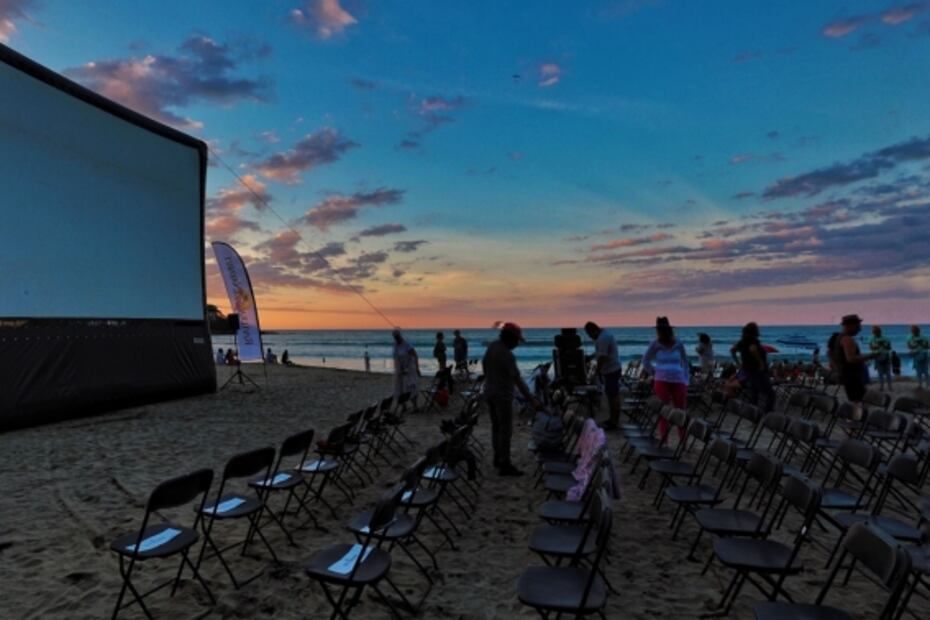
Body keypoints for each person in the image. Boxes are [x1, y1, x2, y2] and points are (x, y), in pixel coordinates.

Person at [482, 322, 541, 476]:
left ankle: (497, 459)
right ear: (510, 338)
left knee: (496, 428)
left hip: (489, 393)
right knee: (505, 431)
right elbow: (517, 379)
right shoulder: (507, 355)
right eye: (516, 341)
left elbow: (484, 366)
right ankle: (505, 465)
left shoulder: (492, 346)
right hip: (502, 397)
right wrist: (531, 399)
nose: (517, 344)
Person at [642, 316, 689, 440]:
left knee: (681, 412)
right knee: (664, 412)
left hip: (679, 381)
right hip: (661, 381)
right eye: (660, 329)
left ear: (669, 329)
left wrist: (686, 380)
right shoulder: (655, 344)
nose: (662, 332)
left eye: (664, 329)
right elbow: (645, 361)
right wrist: (655, 372)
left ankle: (683, 441)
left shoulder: (678, 343)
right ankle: (664, 440)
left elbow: (685, 362)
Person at [583, 321, 622, 430]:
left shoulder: (603, 338)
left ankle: (614, 422)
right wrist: (590, 357)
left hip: (611, 370)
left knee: (613, 397)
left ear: (593, 330)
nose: (590, 337)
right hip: (613, 369)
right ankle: (612, 419)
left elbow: (602, 357)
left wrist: (597, 372)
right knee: (611, 395)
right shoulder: (604, 335)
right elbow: (599, 352)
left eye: (590, 335)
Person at [730, 322, 775, 412]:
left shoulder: (742, 342)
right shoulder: (753, 340)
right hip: (757, 370)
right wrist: (760, 363)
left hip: (748, 370)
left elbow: (732, 350)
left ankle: (753, 413)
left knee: (754, 393)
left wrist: (738, 363)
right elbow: (753, 349)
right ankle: (767, 413)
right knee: (770, 394)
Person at [835, 314, 877, 408]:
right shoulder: (847, 339)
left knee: (858, 400)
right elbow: (851, 359)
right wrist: (870, 356)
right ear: (850, 326)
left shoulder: (840, 338)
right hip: (852, 376)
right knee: (859, 401)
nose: (860, 329)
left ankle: (856, 420)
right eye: (858, 326)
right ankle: (856, 420)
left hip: (847, 375)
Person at [392, 329, 421, 401]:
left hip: (410, 369)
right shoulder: (395, 346)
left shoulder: (407, 345)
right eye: (395, 337)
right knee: (400, 387)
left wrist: (417, 368)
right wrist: (400, 369)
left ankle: (415, 406)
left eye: (397, 337)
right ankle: (403, 406)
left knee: (411, 386)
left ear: (400, 336)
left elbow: (415, 355)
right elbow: (396, 358)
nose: (396, 339)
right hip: (400, 370)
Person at [869, 325, 893, 391]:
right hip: (878, 356)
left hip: (886, 356)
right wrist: (877, 347)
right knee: (880, 373)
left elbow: (889, 348)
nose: (876, 333)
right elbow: (871, 348)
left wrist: (883, 346)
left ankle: (890, 387)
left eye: (877, 331)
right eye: (874, 332)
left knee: (888, 373)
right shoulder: (871, 339)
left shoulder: (886, 338)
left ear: (880, 331)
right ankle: (881, 387)